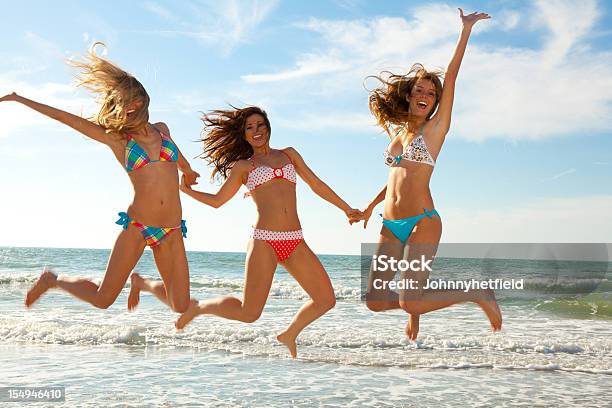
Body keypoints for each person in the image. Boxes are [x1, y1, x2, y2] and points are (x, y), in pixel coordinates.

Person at [0, 43, 199, 313]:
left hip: (173, 229)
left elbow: (178, 157)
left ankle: (142, 283)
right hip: (138, 226)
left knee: (181, 306)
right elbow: (66, 119)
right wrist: (20, 99)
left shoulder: (162, 129)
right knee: (103, 299)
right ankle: (53, 280)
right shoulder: (118, 139)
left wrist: (188, 171)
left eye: (135, 100)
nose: (132, 106)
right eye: (126, 103)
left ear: (142, 100)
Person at [359, 9, 502, 339]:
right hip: (390, 225)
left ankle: (477, 293)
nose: (425, 96)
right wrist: (369, 207)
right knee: (376, 301)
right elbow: (396, 180)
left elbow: (451, 77)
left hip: (423, 221)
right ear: (409, 95)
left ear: (436, 101)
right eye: (420, 91)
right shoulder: (398, 136)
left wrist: (465, 31)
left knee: (411, 301)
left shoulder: (436, 129)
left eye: (431, 93)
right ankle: (416, 307)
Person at [175, 106, 361, 358]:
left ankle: (289, 334)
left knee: (326, 299)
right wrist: (186, 191)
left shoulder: (289, 155)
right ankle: (200, 308)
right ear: (244, 134)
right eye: (250, 127)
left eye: (260, 125)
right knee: (249, 313)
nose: (256, 131)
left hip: (294, 240)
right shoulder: (243, 166)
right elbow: (218, 201)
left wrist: (346, 209)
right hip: (265, 241)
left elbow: (316, 184)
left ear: (269, 127)